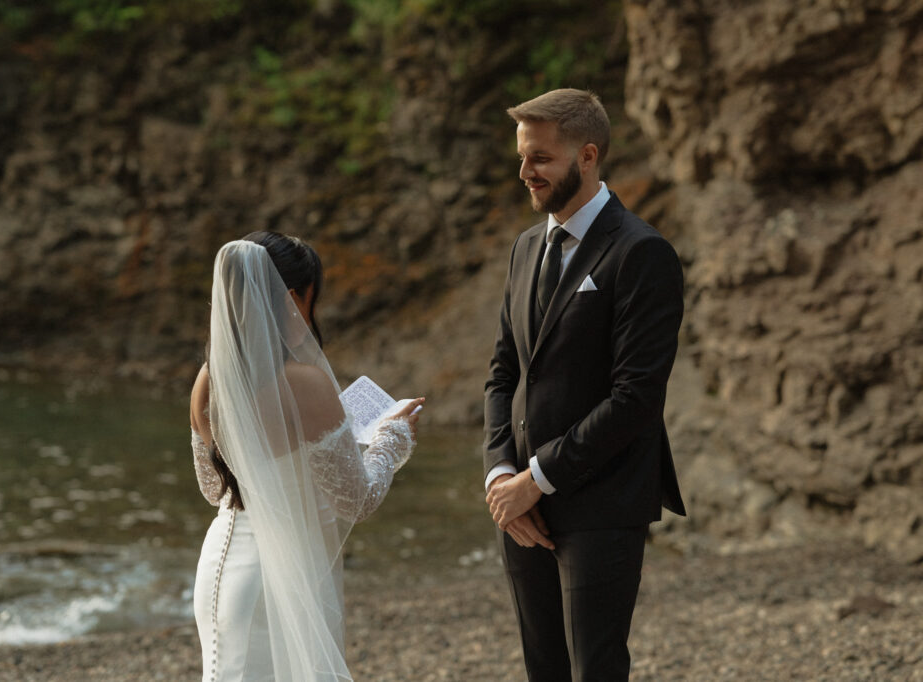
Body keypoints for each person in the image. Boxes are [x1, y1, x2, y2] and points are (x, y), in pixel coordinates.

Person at [482, 88, 686, 681]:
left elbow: (637, 398)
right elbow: (502, 372)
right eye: (522, 157)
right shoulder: (525, 248)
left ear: (588, 155)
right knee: (542, 667)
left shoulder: (643, 252)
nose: (526, 173)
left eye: (541, 158)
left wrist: (536, 479)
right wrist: (501, 475)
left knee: (595, 669)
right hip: (520, 504)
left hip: (602, 499)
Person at [189, 231, 425, 681]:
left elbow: (213, 488)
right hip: (278, 578)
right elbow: (357, 500)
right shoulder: (306, 384)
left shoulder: (210, 379)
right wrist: (394, 439)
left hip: (221, 565)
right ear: (292, 298)